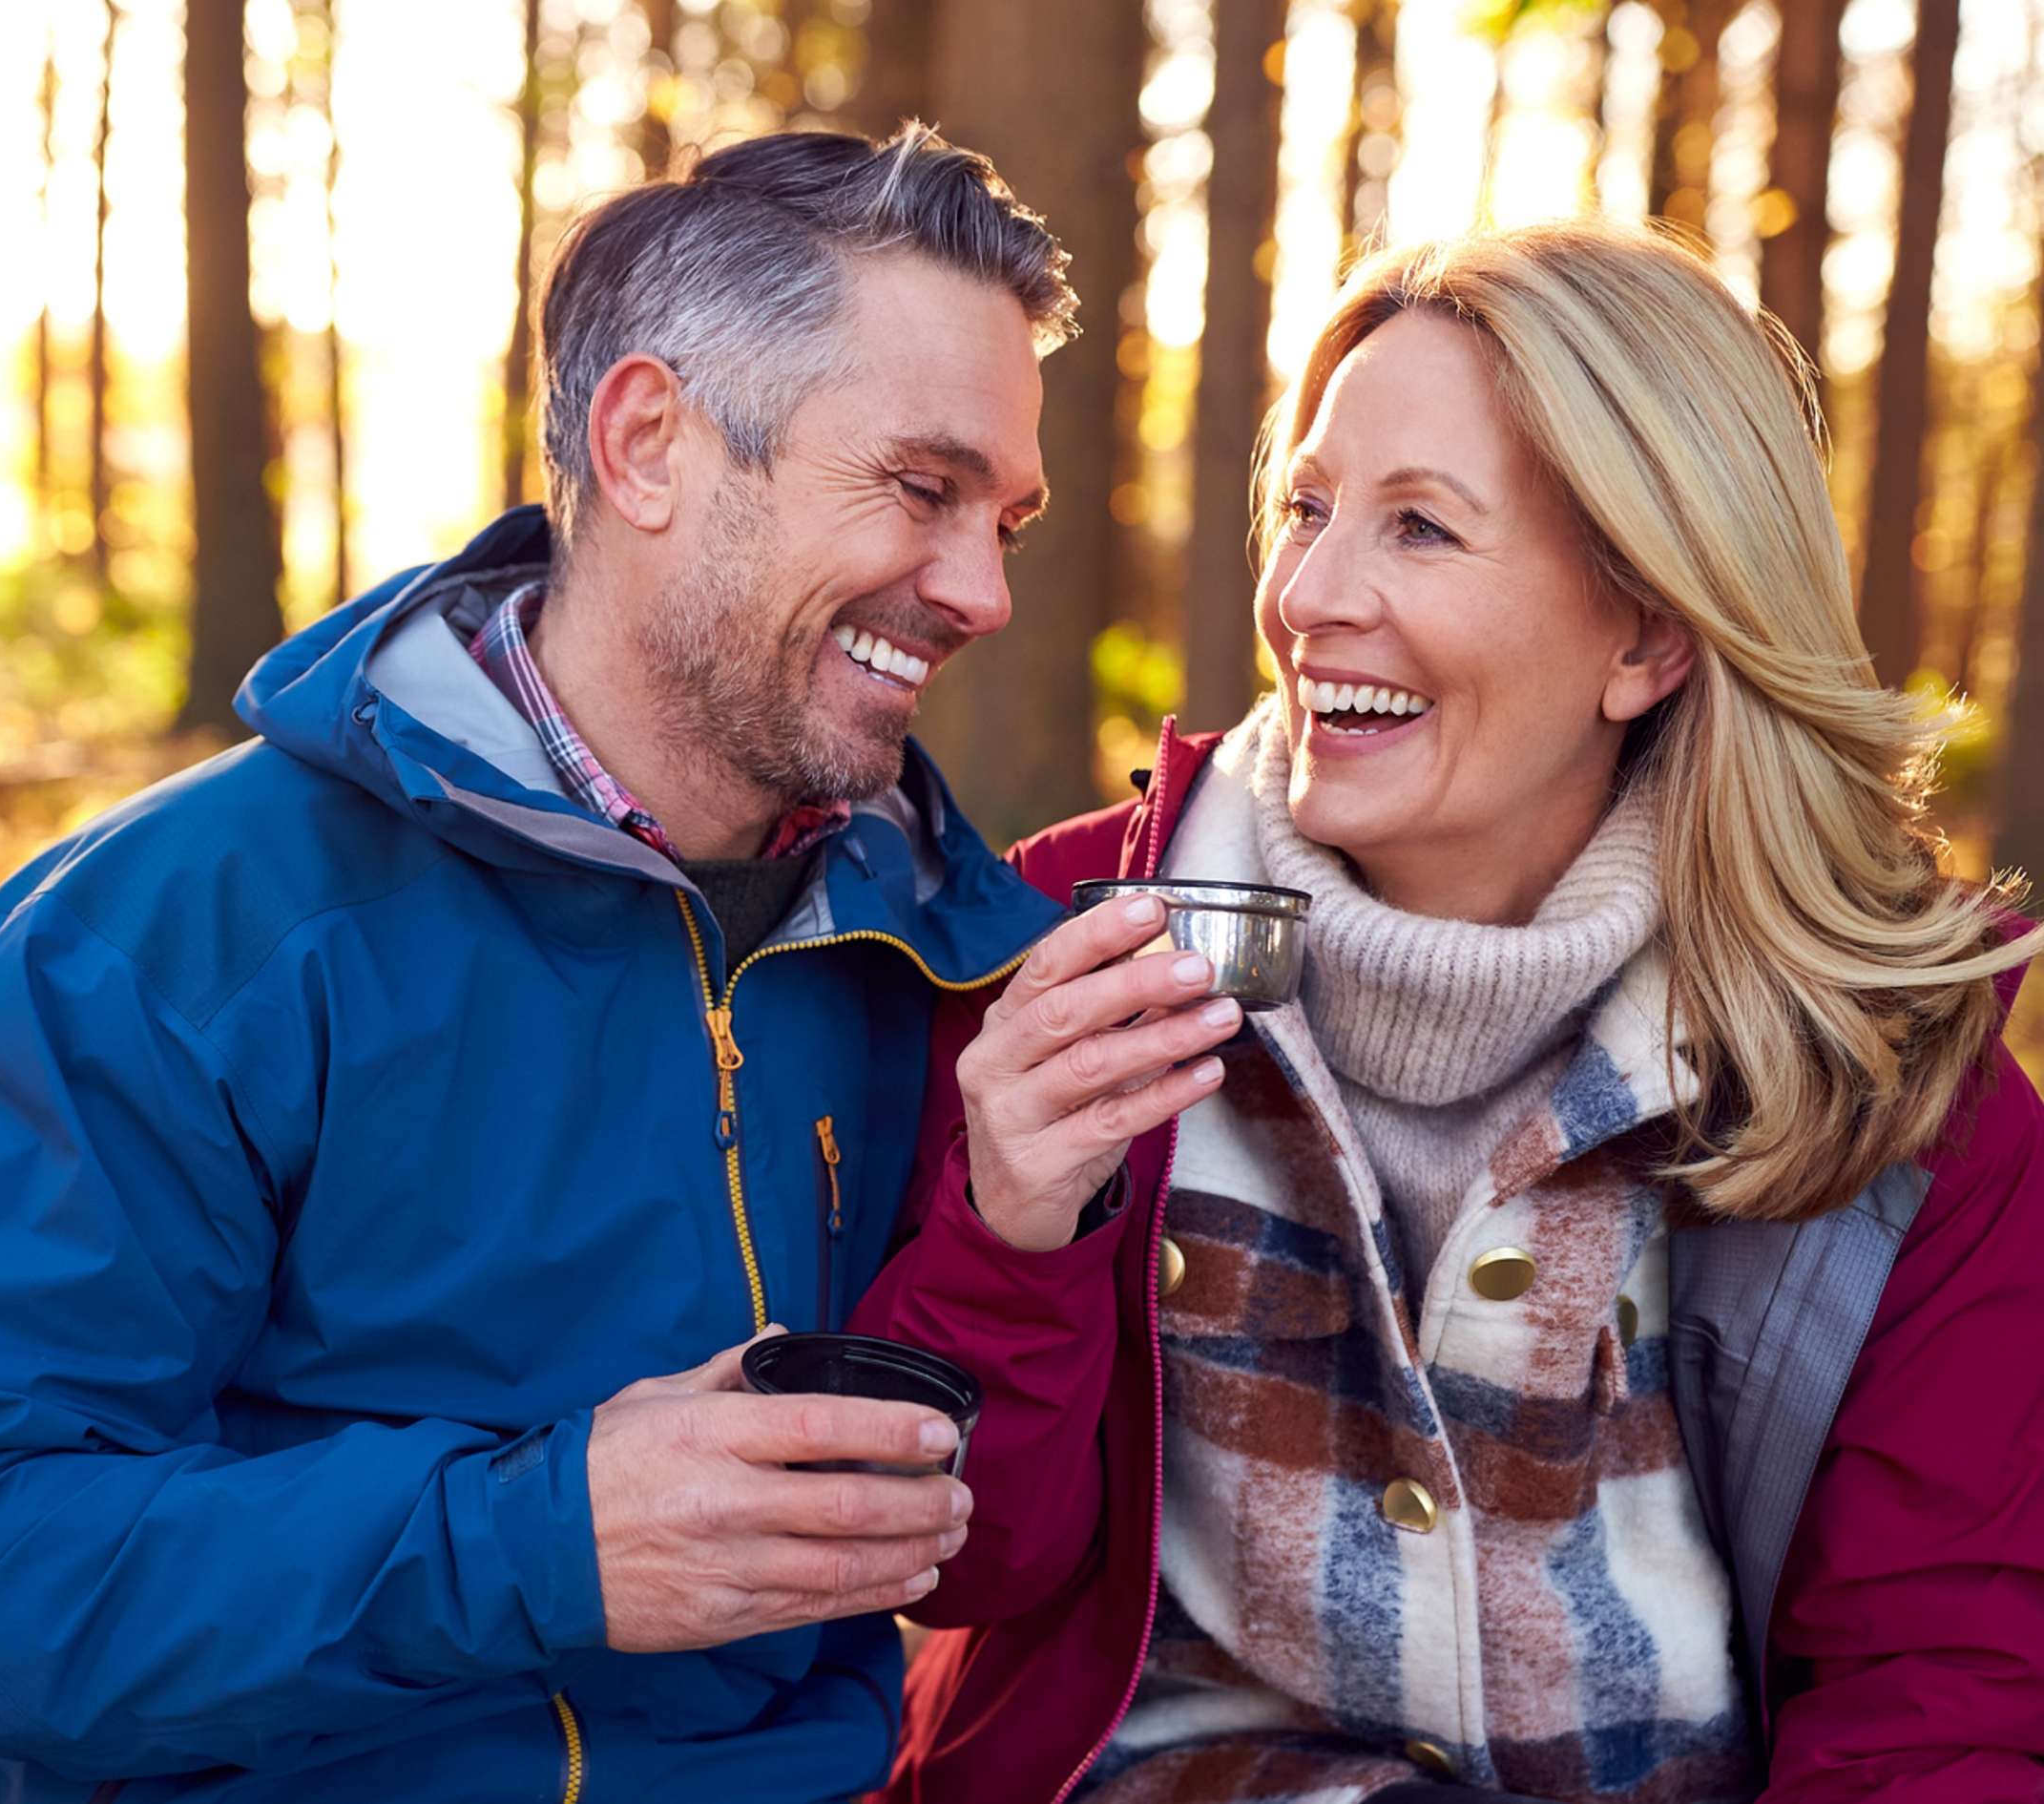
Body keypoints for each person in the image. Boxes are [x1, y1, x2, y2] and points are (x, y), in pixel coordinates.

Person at [0, 126, 1089, 1802]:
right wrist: (537, 1538)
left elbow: (982, 1546)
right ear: (649, 443)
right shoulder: (180, 932)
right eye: (922, 490)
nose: (985, 590)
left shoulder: (933, 946)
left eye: (1008, 517)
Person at [855, 220, 2044, 1804]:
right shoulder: (1065, 947)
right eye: (1311, 508)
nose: (1311, 596)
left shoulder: (1894, 1083)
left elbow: (1941, 1698)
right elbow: (965, 1564)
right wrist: (1010, 1231)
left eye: (1422, 530)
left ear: (1648, 632)